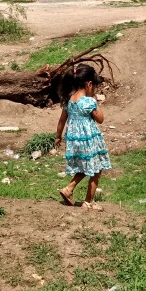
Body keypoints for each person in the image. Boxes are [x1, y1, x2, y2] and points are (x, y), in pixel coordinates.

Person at [55, 63, 111, 210]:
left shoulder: (69, 100)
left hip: (74, 140)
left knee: (85, 166)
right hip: (89, 140)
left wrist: (58, 137)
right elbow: (100, 119)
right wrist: (95, 101)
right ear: (89, 84)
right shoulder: (88, 101)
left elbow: (62, 120)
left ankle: (69, 189)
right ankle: (89, 202)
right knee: (96, 168)